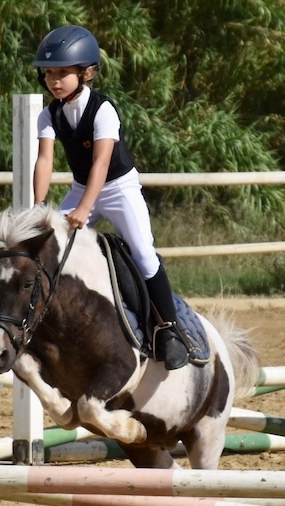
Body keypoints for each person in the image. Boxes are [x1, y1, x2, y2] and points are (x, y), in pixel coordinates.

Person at [31, 25, 189, 370]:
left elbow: (102, 164)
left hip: (118, 188)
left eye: (62, 73)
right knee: (46, 247)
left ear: (85, 73)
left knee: (144, 253)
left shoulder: (103, 110)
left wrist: (86, 208)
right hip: (79, 187)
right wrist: (40, 207)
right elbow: (44, 160)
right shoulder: (50, 113)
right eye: (48, 74)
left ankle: (169, 330)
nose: (54, 81)